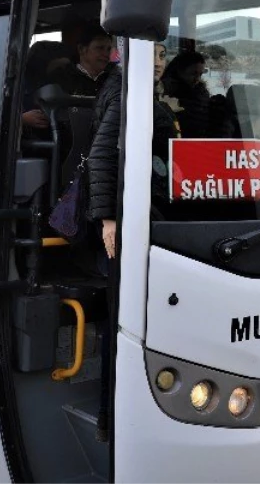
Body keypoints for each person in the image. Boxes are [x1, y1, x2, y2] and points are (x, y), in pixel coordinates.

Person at [85, 41, 179, 442]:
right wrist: (108, 220)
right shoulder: (124, 91)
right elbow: (102, 155)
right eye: (152, 54)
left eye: (162, 55)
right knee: (121, 319)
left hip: (142, 216)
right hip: (123, 224)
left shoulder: (141, 91)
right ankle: (111, 417)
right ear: (124, 54)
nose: (158, 61)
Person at [160, 50, 212, 138]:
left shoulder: (200, 91)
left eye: (200, 74)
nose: (197, 79)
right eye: (193, 74)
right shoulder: (166, 92)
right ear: (180, 71)